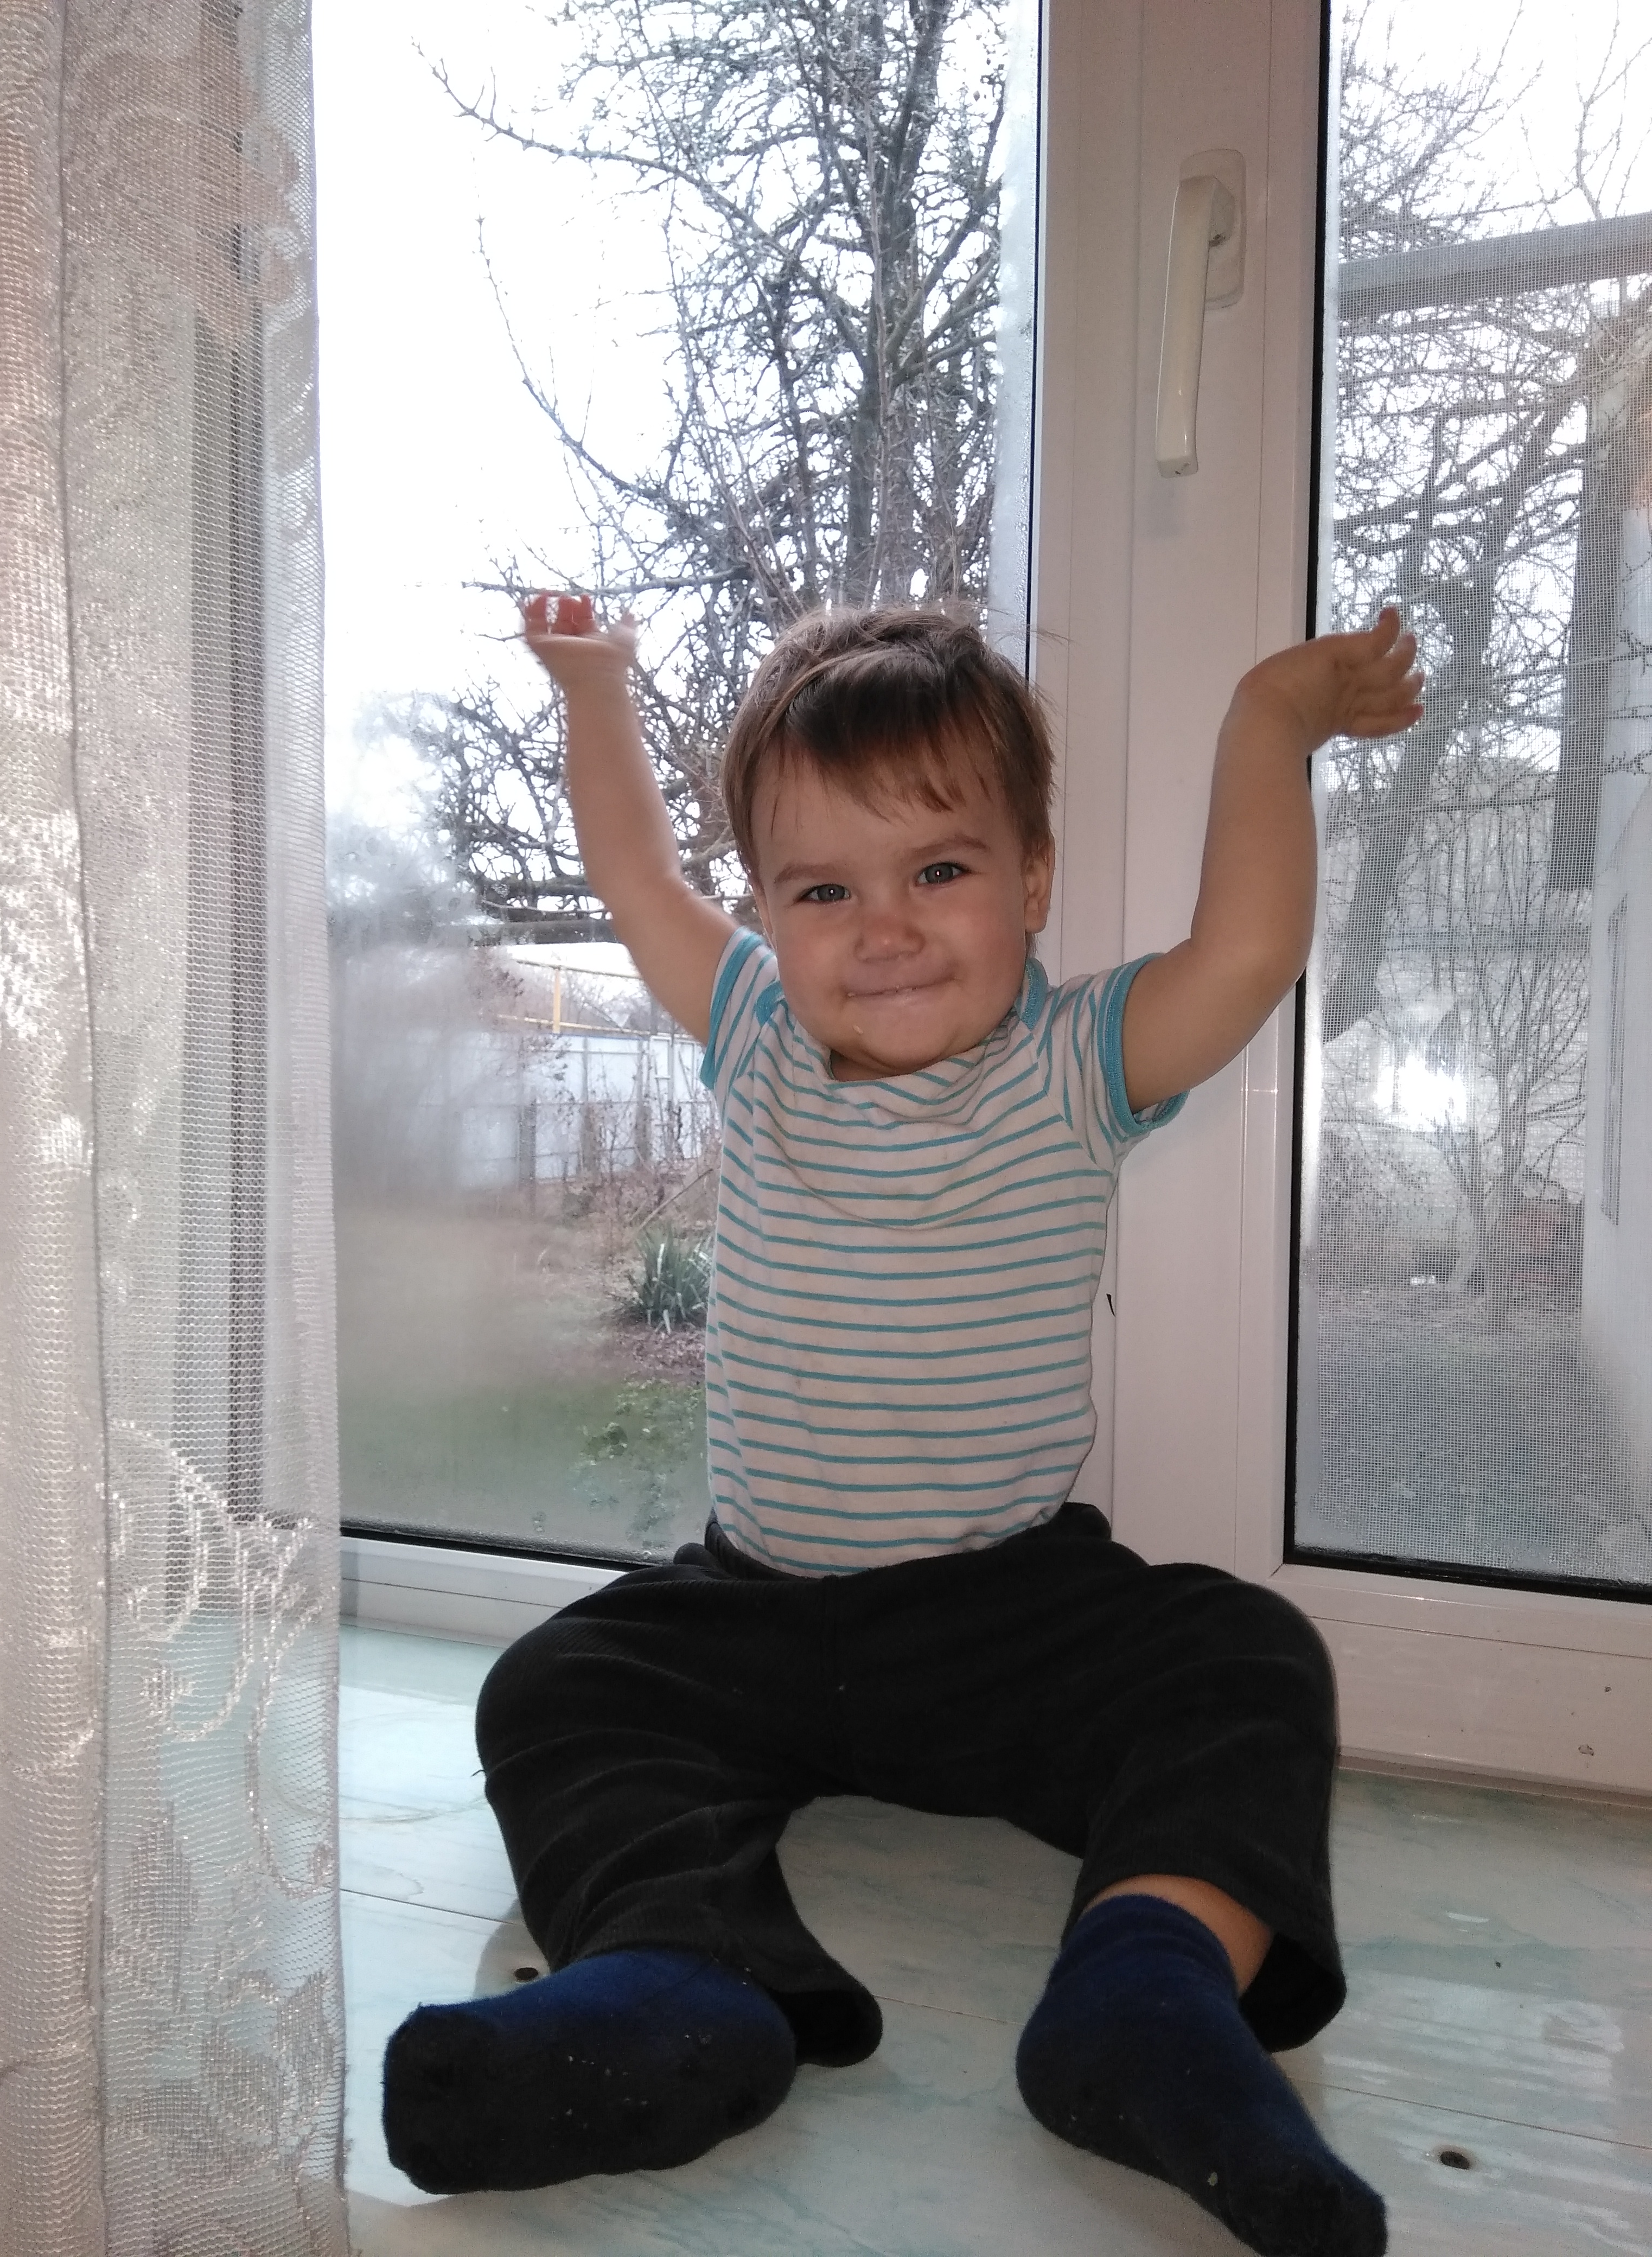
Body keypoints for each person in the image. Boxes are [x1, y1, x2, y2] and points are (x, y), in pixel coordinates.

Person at [382, 595, 1422, 2257]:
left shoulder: (1077, 1061)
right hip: (751, 1613)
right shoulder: (754, 1039)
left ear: (1034, 879)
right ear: (769, 917)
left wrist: (1271, 720)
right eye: (823, 891)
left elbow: (1243, 953)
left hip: (1007, 1617)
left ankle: (1145, 1991)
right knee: (556, 1686)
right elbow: (634, 875)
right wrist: (593, 690)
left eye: (938, 869)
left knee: (1247, 1658)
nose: (884, 929)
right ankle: (686, 1982)